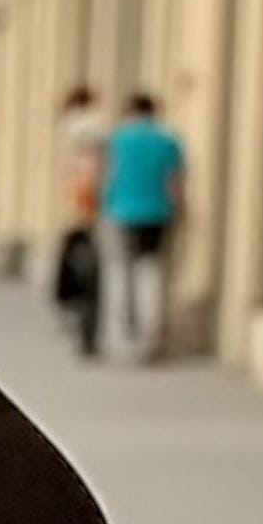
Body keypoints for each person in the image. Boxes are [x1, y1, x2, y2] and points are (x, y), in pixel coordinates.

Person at [99, 90, 190, 365]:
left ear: (129, 111)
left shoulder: (117, 140)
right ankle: (151, 339)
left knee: (119, 274)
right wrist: (181, 211)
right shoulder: (168, 141)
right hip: (157, 213)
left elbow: (108, 177)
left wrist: (103, 207)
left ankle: (121, 338)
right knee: (152, 274)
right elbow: (173, 182)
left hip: (120, 212)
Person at [54, 81, 106, 350]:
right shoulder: (90, 127)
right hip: (88, 199)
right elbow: (90, 165)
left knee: (79, 260)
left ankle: (77, 313)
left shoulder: (73, 126)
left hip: (79, 198)